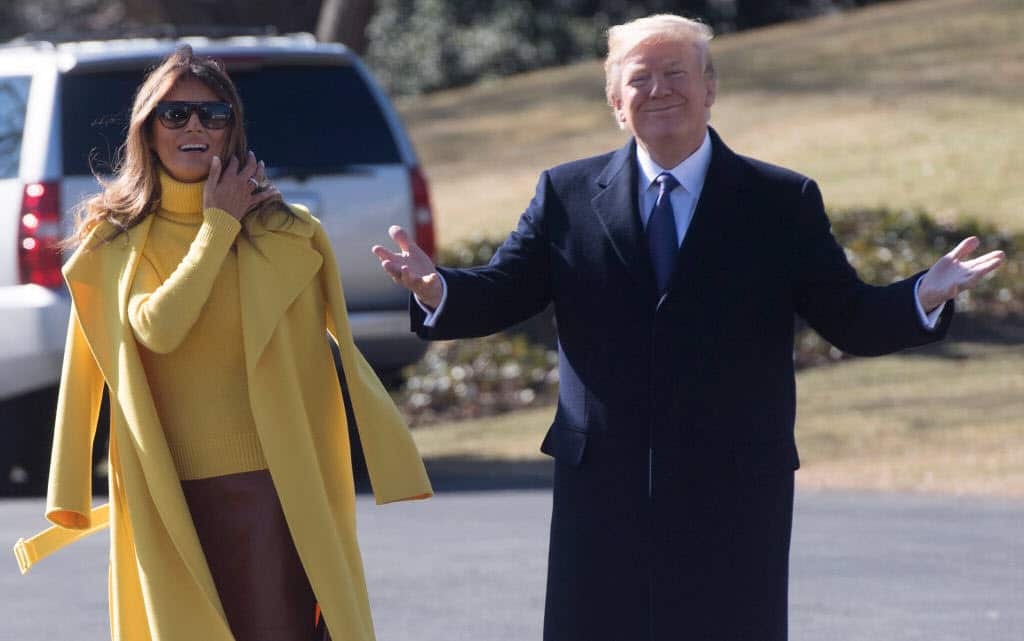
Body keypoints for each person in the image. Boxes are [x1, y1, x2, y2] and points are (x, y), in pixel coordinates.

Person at [372, 14, 1005, 641]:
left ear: (710, 89)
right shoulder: (564, 194)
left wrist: (923, 294)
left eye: (676, 73)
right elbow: (503, 290)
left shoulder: (779, 200)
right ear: (617, 103)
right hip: (604, 490)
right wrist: (438, 288)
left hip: (732, 486)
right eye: (639, 78)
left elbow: (849, 317)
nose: (659, 90)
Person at [14, 46, 432, 641]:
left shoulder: (289, 232)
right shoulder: (113, 242)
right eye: (174, 113)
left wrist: (230, 223)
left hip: (273, 486)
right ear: (147, 129)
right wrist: (217, 226)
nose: (193, 126)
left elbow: (330, 359)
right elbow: (157, 329)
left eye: (212, 115)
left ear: (232, 130)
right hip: (164, 492)